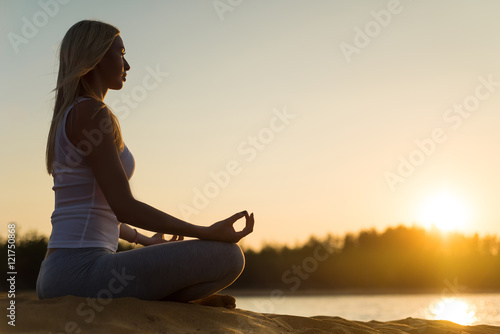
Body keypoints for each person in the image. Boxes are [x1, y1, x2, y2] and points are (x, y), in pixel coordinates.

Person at [36, 20, 254, 308]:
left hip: (63, 272)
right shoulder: (91, 112)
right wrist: (205, 231)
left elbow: (94, 210)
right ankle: (174, 300)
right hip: (78, 272)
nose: (127, 65)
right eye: (121, 53)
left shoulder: (74, 113)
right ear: (97, 56)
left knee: (220, 260)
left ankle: (170, 299)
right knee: (229, 257)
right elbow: (123, 206)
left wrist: (145, 241)